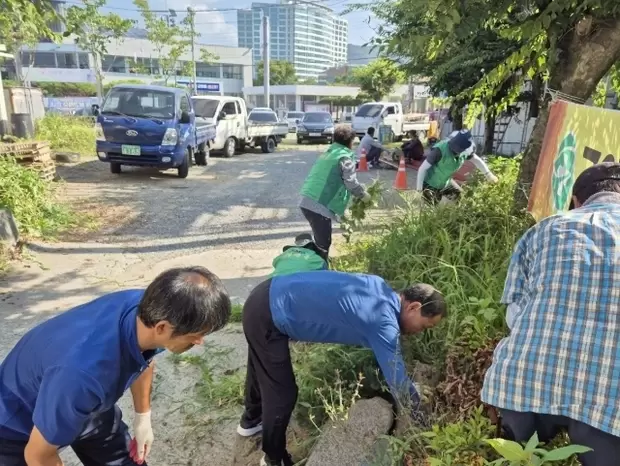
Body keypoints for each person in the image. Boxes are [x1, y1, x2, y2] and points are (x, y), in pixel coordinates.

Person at [0, 266, 231, 466]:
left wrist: (143, 417)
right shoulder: (84, 375)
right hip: (16, 425)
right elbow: (38, 455)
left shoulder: (149, 309)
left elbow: (143, 357)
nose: (200, 342)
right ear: (162, 327)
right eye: (196, 335)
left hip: (84, 403)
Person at [481, 163, 620, 466]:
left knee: (520, 456)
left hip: (525, 382)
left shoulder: (546, 228)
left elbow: (515, 316)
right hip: (611, 398)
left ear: (577, 201)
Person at [236, 271, 447, 466]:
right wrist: (425, 427)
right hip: (268, 316)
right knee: (282, 393)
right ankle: (274, 458)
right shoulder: (383, 322)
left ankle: (251, 422)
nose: (419, 332)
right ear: (413, 307)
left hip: (267, 293)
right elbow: (398, 382)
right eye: (424, 326)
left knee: (260, 367)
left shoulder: (378, 286)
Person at [299, 125, 370, 260]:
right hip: (319, 205)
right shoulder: (345, 157)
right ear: (350, 142)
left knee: (321, 240)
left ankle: (314, 260)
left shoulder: (329, 153)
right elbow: (351, 183)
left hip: (307, 201)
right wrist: (363, 195)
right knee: (324, 243)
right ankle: (319, 271)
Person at [415, 129, 498, 204]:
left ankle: (452, 215)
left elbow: (477, 160)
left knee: (458, 195)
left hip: (445, 182)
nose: (454, 152)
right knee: (432, 209)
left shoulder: (466, 151)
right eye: (453, 149)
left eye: (457, 151)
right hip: (430, 184)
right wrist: (419, 191)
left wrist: (489, 175)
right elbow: (422, 169)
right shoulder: (439, 150)